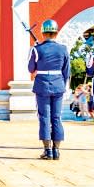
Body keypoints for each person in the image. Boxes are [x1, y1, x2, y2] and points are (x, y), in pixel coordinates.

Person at [28, 19, 70, 160]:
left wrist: (35, 50)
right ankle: (56, 150)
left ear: (43, 33)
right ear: (56, 33)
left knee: (44, 117)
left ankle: (47, 150)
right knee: (56, 117)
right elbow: (66, 70)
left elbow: (31, 68)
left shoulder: (37, 49)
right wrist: (61, 84)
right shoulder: (63, 49)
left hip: (42, 85)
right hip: (58, 84)